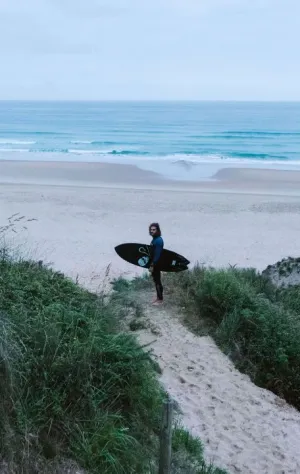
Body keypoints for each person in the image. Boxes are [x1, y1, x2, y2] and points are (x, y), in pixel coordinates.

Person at [149, 222, 164, 305]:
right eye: (151, 230)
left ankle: (160, 299)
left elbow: (157, 254)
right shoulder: (154, 239)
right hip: (154, 263)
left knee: (157, 281)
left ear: (157, 230)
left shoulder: (158, 240)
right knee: (156, 281)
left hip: (156, 263)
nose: (152, 231)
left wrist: (152, 265)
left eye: (154, 230)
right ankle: (158, 297)